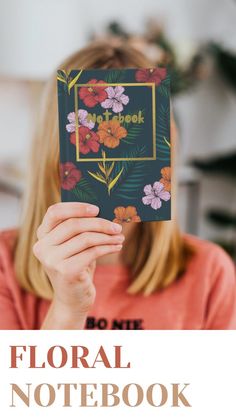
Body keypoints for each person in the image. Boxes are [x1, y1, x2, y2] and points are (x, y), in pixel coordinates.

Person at [0, 40, 235, 330]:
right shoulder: (4, 265)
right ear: (54, 148)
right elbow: (18, 379)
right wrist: (68, 308)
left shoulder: (210, 273)